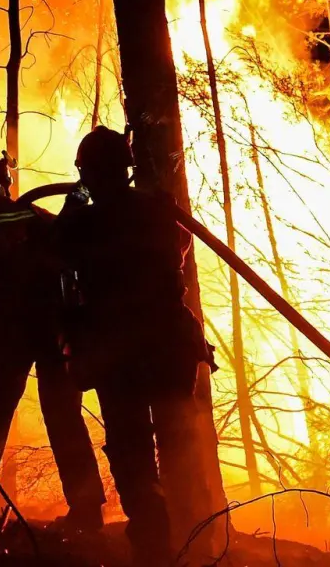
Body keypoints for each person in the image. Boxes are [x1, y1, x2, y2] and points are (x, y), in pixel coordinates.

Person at [55, 127, 211, 564]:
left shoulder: (81, 224)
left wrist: (71, 212)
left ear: (86, 173)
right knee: (180, 440)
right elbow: (179, 246)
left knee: (131, 450)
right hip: (169, 345)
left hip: (119, 351)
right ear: (125, 169)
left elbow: (60, 259)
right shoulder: (159, 208)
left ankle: (155, 542)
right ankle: (197, 536)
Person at [0, 151, 105, 529]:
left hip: (13, 334)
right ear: (4, 184)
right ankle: (87, 511)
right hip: (57, 331)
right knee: (64, 416)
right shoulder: (42, 220)